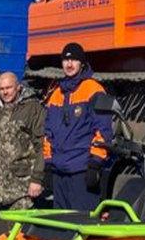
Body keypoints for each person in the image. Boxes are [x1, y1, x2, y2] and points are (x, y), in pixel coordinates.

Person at [44, 43, 112, 211]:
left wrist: (95, 162)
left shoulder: (93, 90)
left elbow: (103, 130)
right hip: (60, 172)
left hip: (82, 171)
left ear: (82, 63)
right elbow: (48, 133)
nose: (69, 64)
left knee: (83, 226)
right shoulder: (56, 94)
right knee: (61, 227)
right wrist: (48, 163)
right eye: (66, 60)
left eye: (74, 60)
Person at [0, 72, 45, 236]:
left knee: (21, 237)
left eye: (9, 88)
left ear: (18, 87)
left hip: (22, 186)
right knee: (4, 238)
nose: (5, 92)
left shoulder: (32, 108)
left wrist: (37, 178)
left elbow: (43, 145)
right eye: (1, 89)